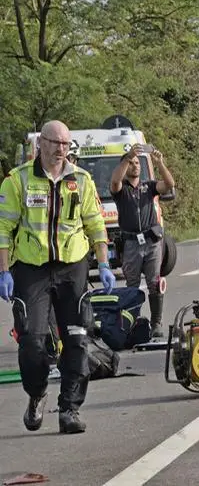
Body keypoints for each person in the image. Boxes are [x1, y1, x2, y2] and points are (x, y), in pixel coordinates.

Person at [0, 120, 116, 434]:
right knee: (32, 341)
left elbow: (95, 224)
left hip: (72, 268)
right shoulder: (18, 180)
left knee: (77, 338)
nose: (60, 150)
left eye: (66, 144)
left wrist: (103, 263)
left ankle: (70, 409)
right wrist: (4, 271)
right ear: (41, 144)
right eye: (55, 143)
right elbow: (3, 228)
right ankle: (37, 392)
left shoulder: (82, 180)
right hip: (31, 269)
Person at [110, 144, 176, 338]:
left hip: (152, 241)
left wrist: (160, 163)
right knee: (132, 285)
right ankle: (133, 324)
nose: (135, 166)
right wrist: (127, 157)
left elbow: (169, 184)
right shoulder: (121, 189)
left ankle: (156, 323)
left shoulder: (149, 186)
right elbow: (115, 181)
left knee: (154, 282)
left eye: (137, 163)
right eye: (131, 163)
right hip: (131, 244)